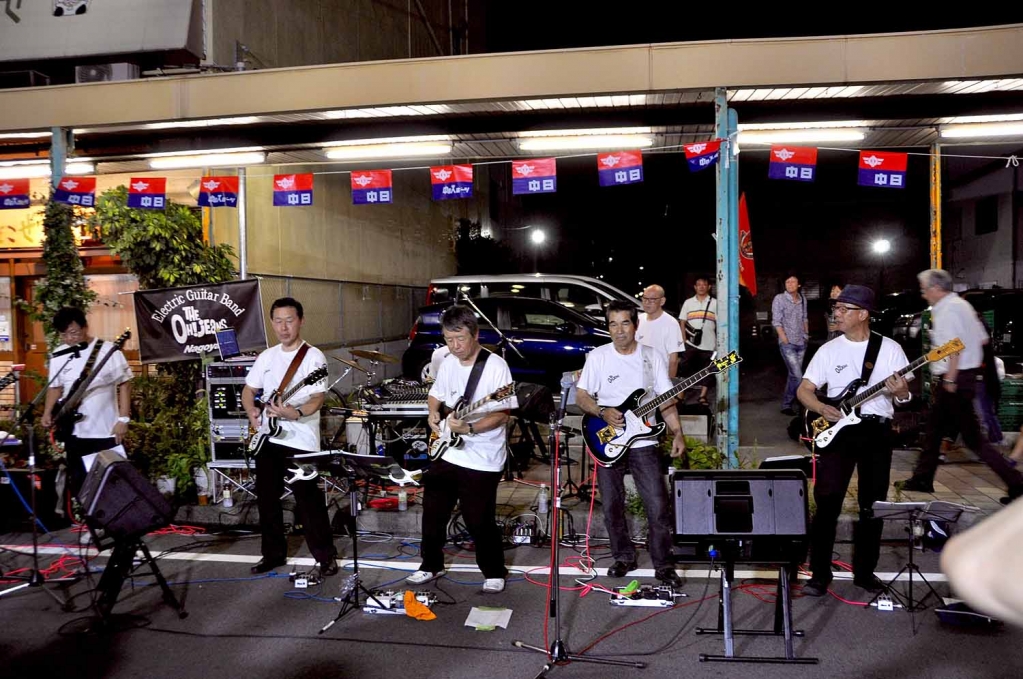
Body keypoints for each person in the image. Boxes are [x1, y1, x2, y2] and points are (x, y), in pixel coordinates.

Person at [796, 285, 912, 596]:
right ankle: (819, 575)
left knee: (871, 505)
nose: (837, 312)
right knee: (827, 501)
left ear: (863, 314)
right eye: (837, 308)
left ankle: (865, 572)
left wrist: (901, 392)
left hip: (876, 432)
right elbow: (803, 390)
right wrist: (821, 407)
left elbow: (904, 398)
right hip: (838, 433)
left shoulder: (889, 349)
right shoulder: (828, 350)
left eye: (844, 308)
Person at [406, 304, 516, 593]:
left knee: (479, 519)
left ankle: (494, 571)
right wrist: (433, 414)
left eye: (460, 339)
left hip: (482, 457)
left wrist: (470, 428)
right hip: (448, 451)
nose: (454, 346)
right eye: (448, 340)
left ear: (475, 334)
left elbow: (502, 413)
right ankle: (431, 565)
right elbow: (436, 394)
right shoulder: (449, 362)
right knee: (432, 512)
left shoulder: (495, 367)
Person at [575, 300, 685, 588]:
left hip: (644, 442)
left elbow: (666, 401)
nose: (619, 330)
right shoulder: (598, 357)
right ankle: (623, 556)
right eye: (613, 324)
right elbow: (582, 395)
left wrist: (677, 432)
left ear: (636, 325)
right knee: (611, 504)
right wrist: (601, 411)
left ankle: (663, 563)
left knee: (658, 505)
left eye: (625, 323)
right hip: (607, 439)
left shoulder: (652, 357)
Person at [896, 270, 1023, 504]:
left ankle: (1016, 482)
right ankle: (923, 478)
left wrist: (950, 378)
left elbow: (955, 346)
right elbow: (983, 340)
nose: (923, 294)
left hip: (955, 378)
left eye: (924, 289)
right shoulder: (963, 305)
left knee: (967, 438)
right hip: (966, 376)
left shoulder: (946, 309)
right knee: (938, 431)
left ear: (936, 288)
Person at [242, 297, 334, 575]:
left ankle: (325, 556)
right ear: (272, 323)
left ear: (301, 321)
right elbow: (249, 391)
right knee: (267, 500)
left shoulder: (313, 357)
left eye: (289, 320)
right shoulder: (266, 356)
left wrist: (297, 413)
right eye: (278, 321)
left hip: (300, 440)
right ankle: (272, 555)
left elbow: (317, 398)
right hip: (268, 438)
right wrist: (252, 414)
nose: (283, 327)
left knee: (309, 500)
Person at [42, 306, 133, 503]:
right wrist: (48, 412)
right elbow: (55, 387)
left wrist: (123, 419)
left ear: (85, 327)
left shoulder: (108, 350)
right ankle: (90, 526)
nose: (69, 338)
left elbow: (125, 384)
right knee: (80, 481)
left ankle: (117, 525)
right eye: (64, 335)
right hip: (74, 432)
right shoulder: (59, 354)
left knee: (111, 480)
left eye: (73, 332)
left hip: (105, 430)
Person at [772, 274, 809, 416]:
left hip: (801, 342)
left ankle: (786, 405)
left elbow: (805, 318)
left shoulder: (803, 299)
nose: (790, 284)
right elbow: (776, 321)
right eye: (787, 281)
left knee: (793, 375)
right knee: (798, 376)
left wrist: (806, 335)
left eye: (793, 281)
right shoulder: (779, 299)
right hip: (787, 343)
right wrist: (784, 339)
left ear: (799, 284)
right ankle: (802, 403)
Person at [678, 276, 717, 406]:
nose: (701, 287)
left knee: (708, 370)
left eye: (704, 284)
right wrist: (683, 339)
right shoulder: (688, 302)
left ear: (709, 287)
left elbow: (721, 323)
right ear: (695, 287)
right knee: (684, 369)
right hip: (690, 343)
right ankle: (680, 396)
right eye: (698, 285)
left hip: (709, 343)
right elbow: (682, 321)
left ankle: (702, 396)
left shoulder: (715, 303)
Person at [636, 284, 684, 378]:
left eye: (652, 299)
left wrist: (669, 386)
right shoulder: (638, 320)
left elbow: (673, 360)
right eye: (644, 298)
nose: (647, 302)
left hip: (660, 379)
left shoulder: (671, 323)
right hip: (638, 377)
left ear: (662, 301)